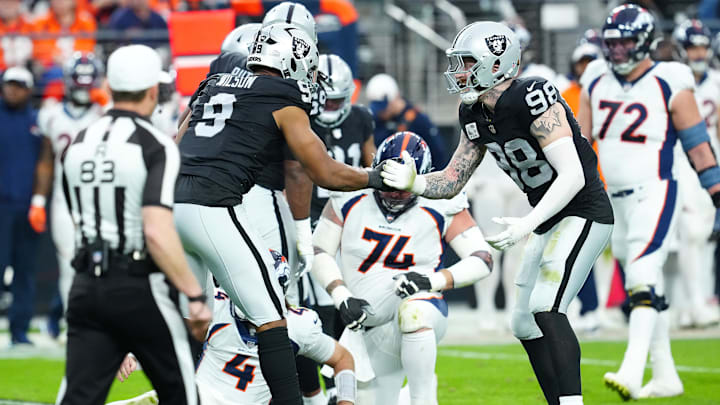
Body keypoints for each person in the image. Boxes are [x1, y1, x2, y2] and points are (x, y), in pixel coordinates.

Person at [381, 21, 615, 405]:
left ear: (495, 63)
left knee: (546, 307)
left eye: (467, 62)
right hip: (548, 216)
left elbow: (572, 175)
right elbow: (453, 179)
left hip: (584, 211)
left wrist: (528, 222)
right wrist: (416, 182)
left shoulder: (533, 94)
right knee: (523, 322)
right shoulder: (472, 112)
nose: (458, 71)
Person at [174, 23, 388, 405]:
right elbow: (324, 172)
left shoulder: (215, 82)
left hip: (172, 203)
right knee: (272, 317)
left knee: (194, 320)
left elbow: (179, 138)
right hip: (211, 204)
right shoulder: (283, 95)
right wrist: (377, 175)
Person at [578, 4, 720, 400]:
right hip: (612, 197)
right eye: (612, 43)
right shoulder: (595, 77)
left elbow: (698, 145)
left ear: (644, 42)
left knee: (641, 273)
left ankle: (631, 366)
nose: (618, 51)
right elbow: (581, 141)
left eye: (625, 42)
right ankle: (666, 375)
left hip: (655, 189)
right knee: (644, 279)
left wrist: (716, 190)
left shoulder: (671, 79)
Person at [57, 44, 211, 404]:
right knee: (182, 395)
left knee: (78, 396)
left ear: (108, 86)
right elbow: (156, 231)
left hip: (85, 286)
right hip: (139, 287)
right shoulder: (156, 145)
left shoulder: (78, 143)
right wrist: (194, 295)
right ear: (153, 91)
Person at [311, 131, 492, 404]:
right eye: (388, 184)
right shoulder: (350, 195)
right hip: (364, 320)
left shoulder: (440, 201)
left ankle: (421, 399)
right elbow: (319, 250)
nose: (394, 194)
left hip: (421, 308)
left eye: (403, 186)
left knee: (414, 312)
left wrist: (430, 282)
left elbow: (482, 259)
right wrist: (341, 296)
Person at [110, 250, 358, 405]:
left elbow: (343, 359)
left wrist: (346, 400)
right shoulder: (216, 306)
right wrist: (131, 351)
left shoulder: (299, 326)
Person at [299, 53, 376, 403]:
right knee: (318, 303)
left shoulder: (360, 118)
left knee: (350, 300)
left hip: (349, 219)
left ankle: (348, 381)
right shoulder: (301, 120)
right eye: (325, 99)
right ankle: (326, 385)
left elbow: (370, 162)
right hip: (311, 217)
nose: (330, 108)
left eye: (337, 100)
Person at [30, 52, 104, 339]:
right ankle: (75, 326)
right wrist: (38, 200)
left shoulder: (104, 113)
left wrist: (107, 101)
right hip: (65, 200)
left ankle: (100, 325)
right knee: (68, 265)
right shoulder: (52, 114)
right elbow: (46, 158)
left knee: (104, 265)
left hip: (101, 200)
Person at [670, 19, 720, 327]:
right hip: (676, 162)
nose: (698, 52)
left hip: (707, 164)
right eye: (692, 46)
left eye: (701, 46)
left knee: (703, 238)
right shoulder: (671, 78)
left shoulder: (715, 81)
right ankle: (690, 304)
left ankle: (692, 305)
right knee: (687, 235)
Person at [0, 67, 41, 346]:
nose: (12, 90)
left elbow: (45, 165)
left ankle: (20, 330)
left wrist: (40, 201)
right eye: (8, 84)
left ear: (28, 89)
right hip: (1, 206)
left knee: (25, 271)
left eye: (18, 85)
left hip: (28, 207)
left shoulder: (38, 121)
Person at [365, 73, 448, 168]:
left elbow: (438, 155)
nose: (381, 112)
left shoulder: (418, 120)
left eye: (384, 107)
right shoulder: (377, 120)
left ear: (396, 97)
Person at [0, 0, 33, 71]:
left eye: (11, 2)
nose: (7, 5)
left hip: (27, 70)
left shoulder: (32, 24)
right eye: (3, 2)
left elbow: (42, 50)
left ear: (19, 4)